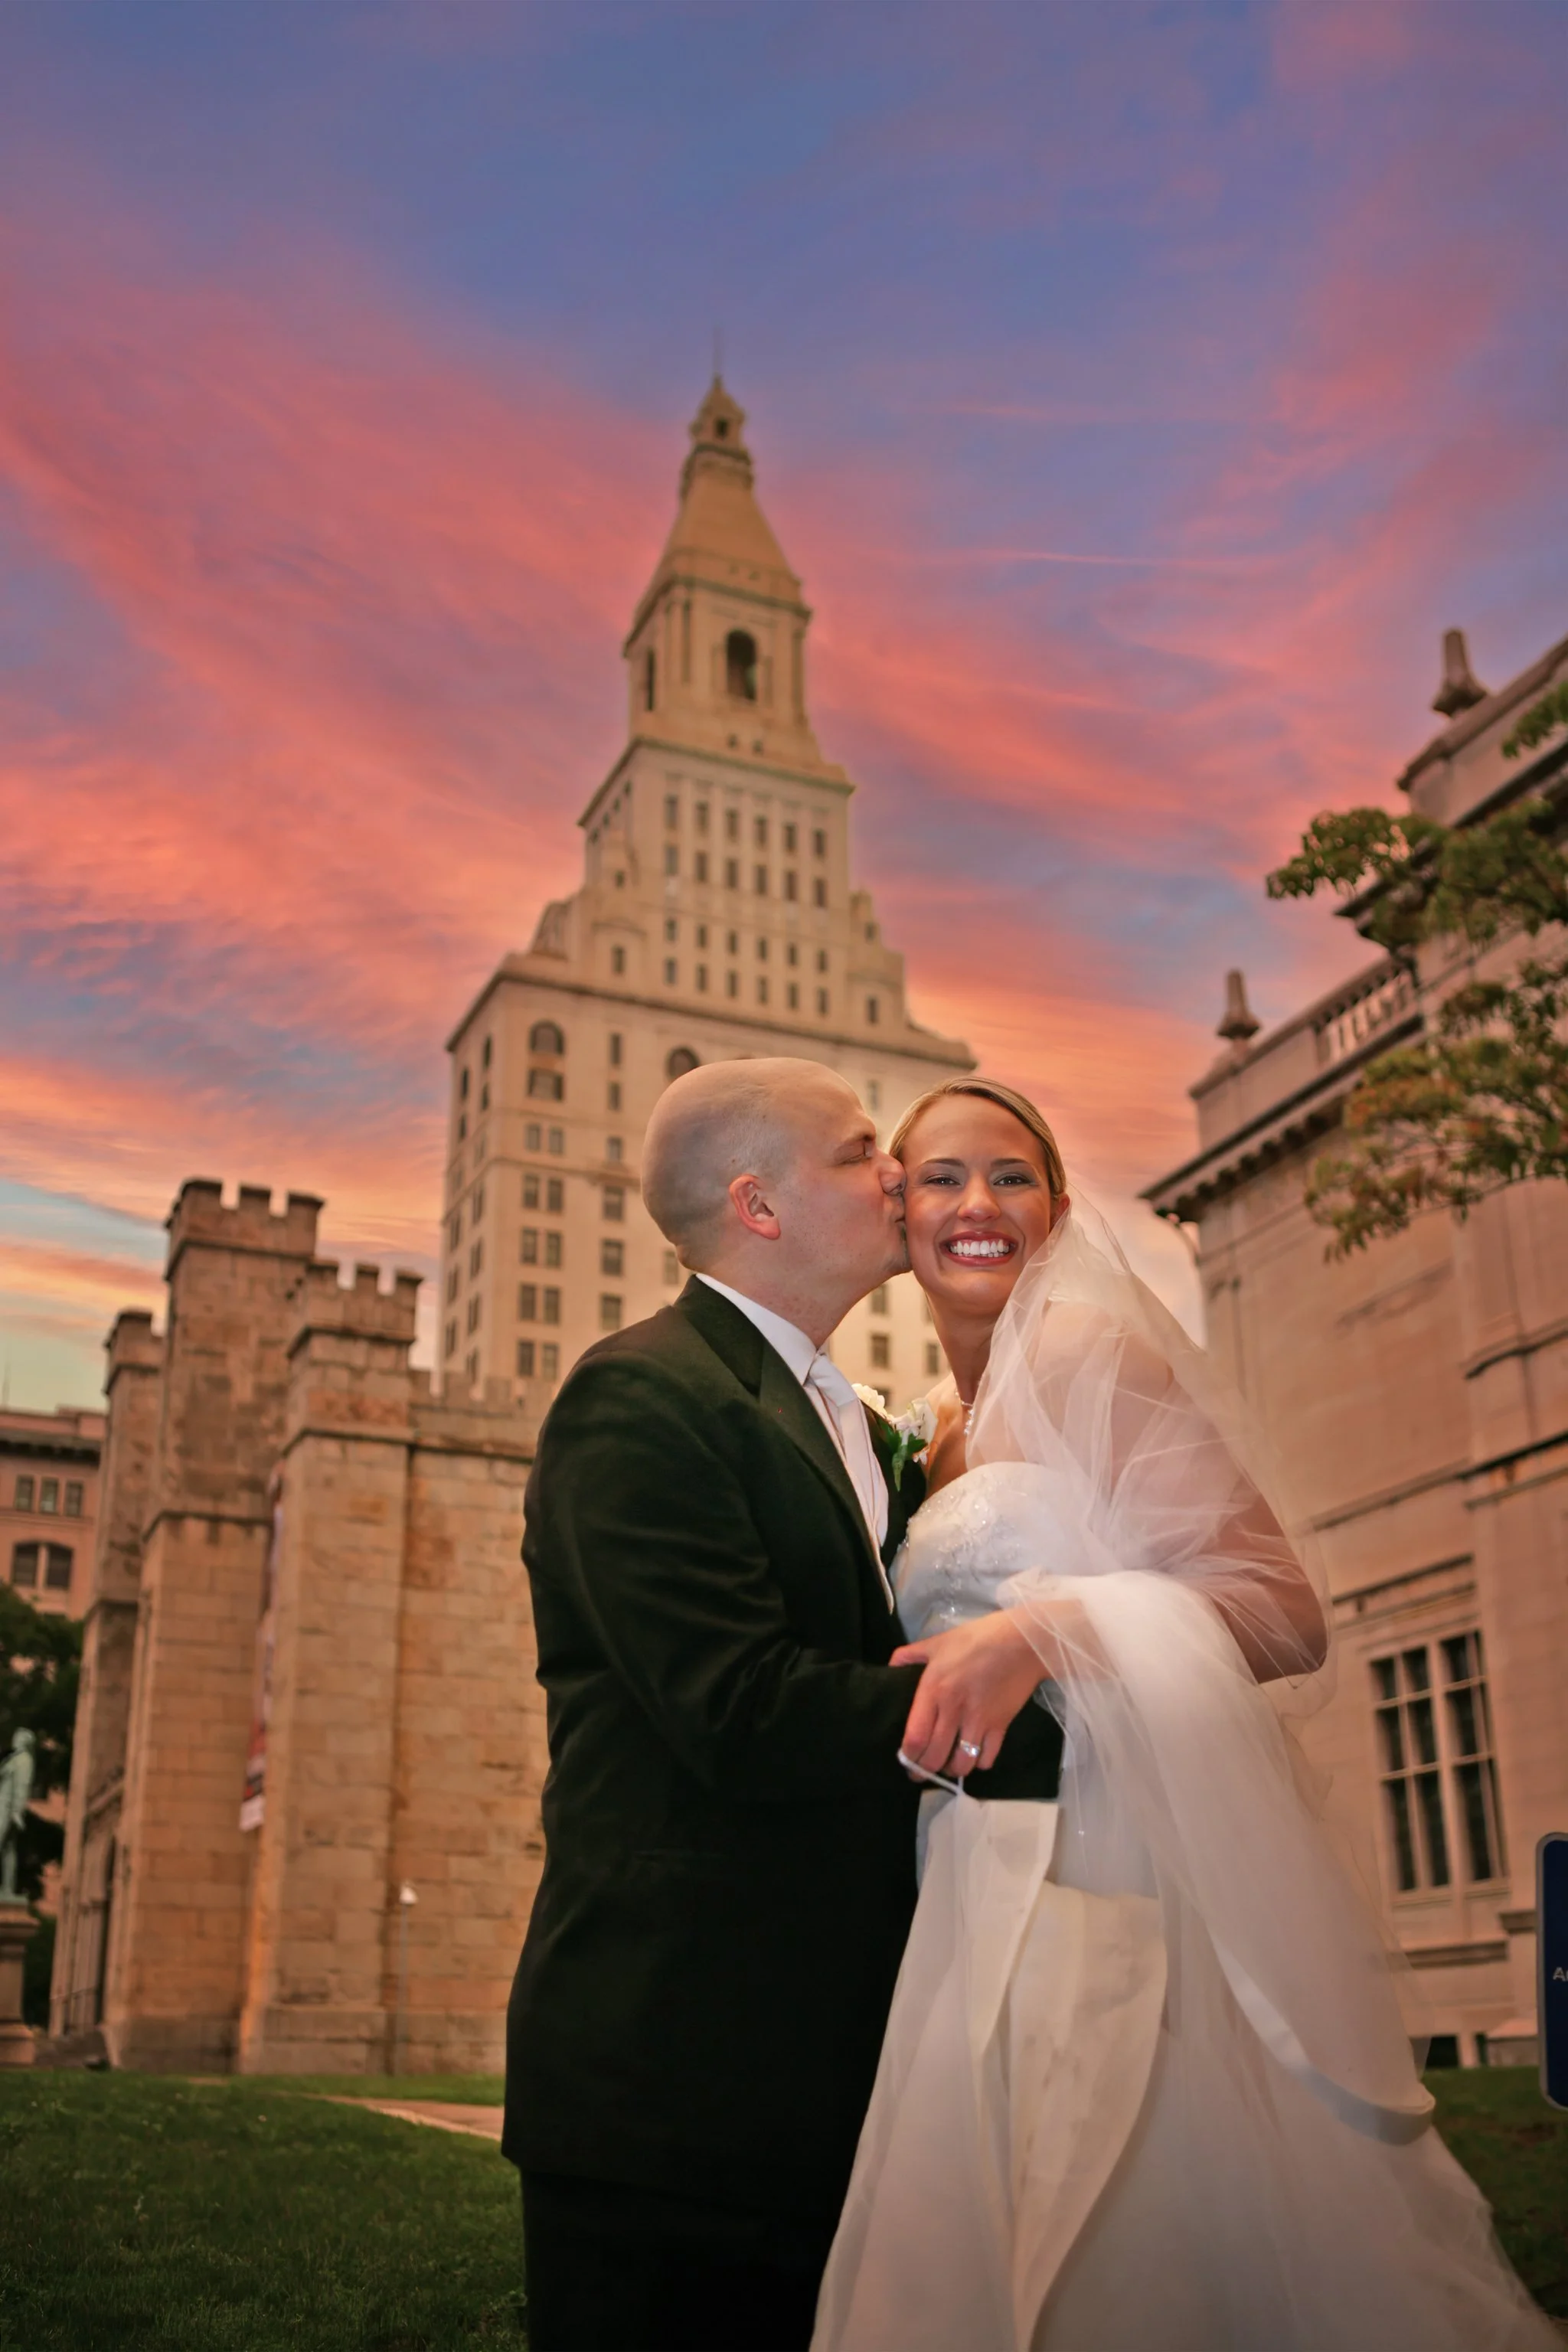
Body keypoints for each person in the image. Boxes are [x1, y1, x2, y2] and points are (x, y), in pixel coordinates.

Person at [814, 1076, 1557, 2352]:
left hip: (1109, 1884)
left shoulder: (1092, 1358)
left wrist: (1036, 1634)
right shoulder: (929, 1430)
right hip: (964, 1888)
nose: (978, 1204)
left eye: (1012, 1176)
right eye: (941, 1177)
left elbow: (1280, 1610)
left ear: (1054, 1208)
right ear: (895, 1210)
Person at [502, 1058, 1054, 2352]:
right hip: (681, 2083)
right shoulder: (640, 1396)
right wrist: (1059, 1739)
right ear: (758, 1206)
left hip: (850, 2064)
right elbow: (738, 1709)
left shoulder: (854, 1417)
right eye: (862, 1150)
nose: (898, 1173)